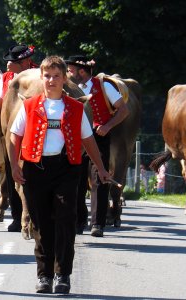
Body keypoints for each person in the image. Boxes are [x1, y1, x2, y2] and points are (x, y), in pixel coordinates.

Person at [9, 55, 111, 294]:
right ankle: (44, 275)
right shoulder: (29, 105)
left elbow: (88, 140)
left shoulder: (76, 108)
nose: (51, 80)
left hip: (66, 168)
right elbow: (15, 136)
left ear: (65, 78)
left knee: (65, 221)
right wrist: (14, 165)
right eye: (47, 76)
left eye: (56, 76)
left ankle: (62, 274)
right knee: (42, 224)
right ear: (41, 77)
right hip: (36, 169)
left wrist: (101, 168)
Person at [66, 55, 129, 237]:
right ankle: (79, 221)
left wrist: (108, 126)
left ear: (82, 71)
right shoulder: (68, 88)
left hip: (98, 136)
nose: (68, 74)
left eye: (70, 70)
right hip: (77, 138)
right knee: (76, 178)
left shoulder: (104, 86)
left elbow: (123, 110)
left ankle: (97, 223)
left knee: (99, 179)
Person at [0, 44, 36, 232]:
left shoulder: (40, 75)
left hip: (33, 133)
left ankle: (35, 212)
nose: (8, 64)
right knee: (11, 172)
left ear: (24, 62)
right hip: (10, 133)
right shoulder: (7, 79)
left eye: (13, 61)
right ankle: (18, 216)